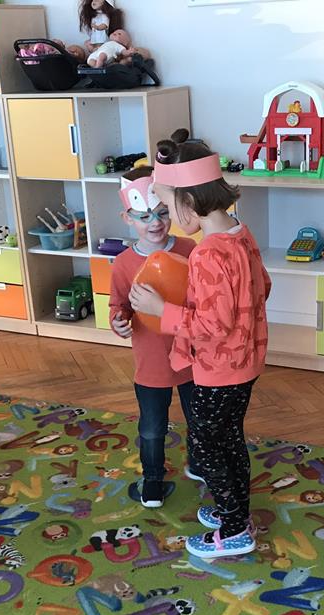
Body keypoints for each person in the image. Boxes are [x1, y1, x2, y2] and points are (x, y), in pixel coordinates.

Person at [130, 133, 271, 559]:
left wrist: (162, 309)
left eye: (168, 205)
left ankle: (234, 530)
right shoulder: (241, 234)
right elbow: (263, 285)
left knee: (209, 449)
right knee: (229, 440)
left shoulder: (208, 253)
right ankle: (236, 513)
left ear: (189, 203)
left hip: (218, 369)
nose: (170, 219)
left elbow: (211, 326)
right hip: (246, 362)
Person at [109, 165, 198, 508]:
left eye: (162, 213)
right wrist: (118, 321)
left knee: (199, 419)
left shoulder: (190, 248)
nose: (155, 223)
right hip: (151, 364)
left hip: (193, 357)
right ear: (127, 218)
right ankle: (152, 480)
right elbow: (119, 305)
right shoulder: (123, 263)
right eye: (144, 216)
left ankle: (200, 464)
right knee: (151, 428)